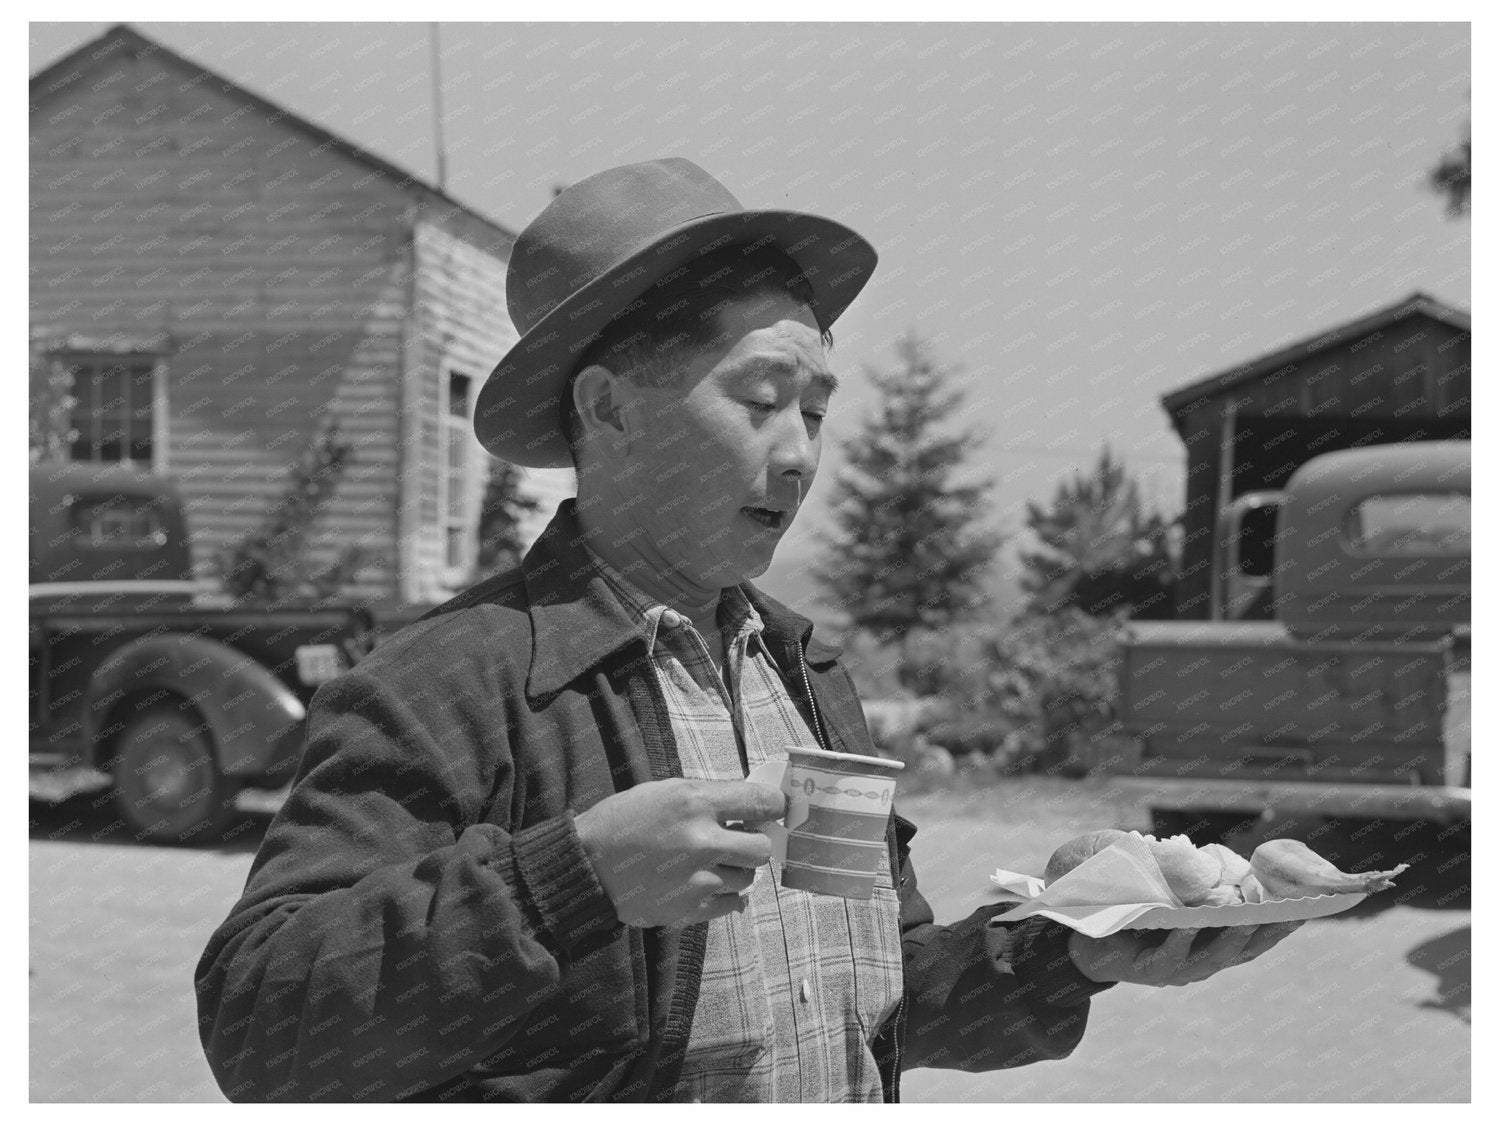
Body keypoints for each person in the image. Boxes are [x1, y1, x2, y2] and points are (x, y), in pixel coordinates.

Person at [195, 158, 1301, 1103]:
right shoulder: (445, 685)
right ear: (609, 407)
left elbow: (873, 989)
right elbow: (259, 1032)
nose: (801, 454)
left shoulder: (804, 676)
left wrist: (1079, 936)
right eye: (762, 398)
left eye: (817, 409)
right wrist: (563, 885)